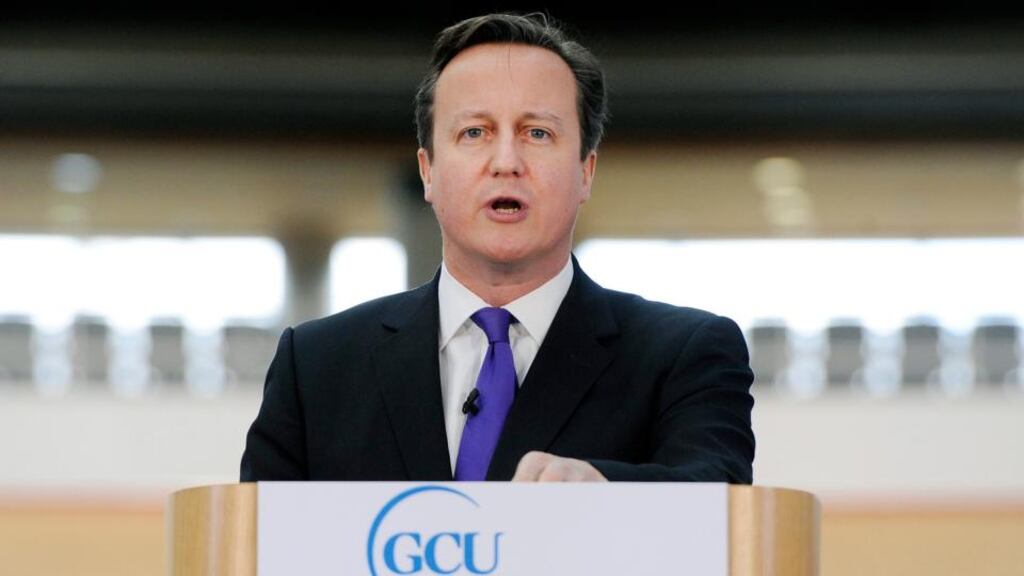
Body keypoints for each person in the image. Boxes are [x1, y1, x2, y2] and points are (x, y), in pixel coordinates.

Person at [240, 12, 755, 483]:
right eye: (474, 132)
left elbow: (721, 506)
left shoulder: (684, 355)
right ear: (428, 171)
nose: (506, 161)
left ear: (585, 171)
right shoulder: (315, 367)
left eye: (536, 132)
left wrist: (609, 496)